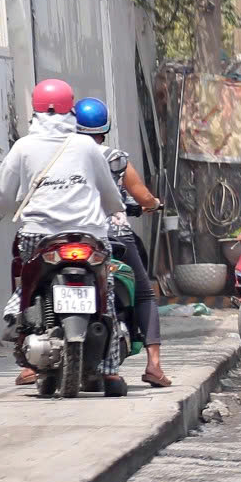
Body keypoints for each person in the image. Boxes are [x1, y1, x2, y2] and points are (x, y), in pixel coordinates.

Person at [0, 79, 128, 395]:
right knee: (106, 296)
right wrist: (115, 208)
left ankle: (22, 338)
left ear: (35, 110)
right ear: (71, 109)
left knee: (26, 286)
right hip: (89, 236)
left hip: (39, 235)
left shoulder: (23, 146)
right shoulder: (86, 146)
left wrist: (2, 207)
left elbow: (4, 193)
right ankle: (109, 373)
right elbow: (108, 190)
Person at [73, 97, 171, 388]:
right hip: (113, 235)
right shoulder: (115, 158)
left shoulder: (64, 154)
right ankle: (154, 365)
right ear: (105, 128)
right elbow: (142, 196)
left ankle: (29, 365)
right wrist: (153, 203)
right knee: (145, 294)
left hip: (72, 232)